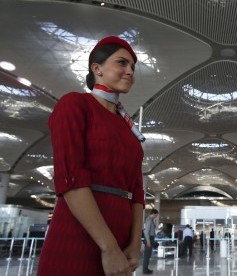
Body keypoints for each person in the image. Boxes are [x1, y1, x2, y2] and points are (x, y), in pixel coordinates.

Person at [37, 36, 145, 276]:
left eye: (132, 68)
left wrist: (135, 244)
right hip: (79, 233)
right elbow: (71, 177)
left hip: (121, 236)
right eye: (122, 63)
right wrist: (108, 248)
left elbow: (137, 191)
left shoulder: (128, 128)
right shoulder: (75, 105)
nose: (130, 72)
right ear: (97, 69)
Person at [142, 209, 159, 274]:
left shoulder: (151, 220)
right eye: (156, 215)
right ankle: (145, 270)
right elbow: (146, 232)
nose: (156, 216)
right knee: (147, 255)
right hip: (148, 239)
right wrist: (148, 242)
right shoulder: (149, 220)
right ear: (153, 214)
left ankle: (146, 269)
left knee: (148, 255)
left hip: (151, 238)